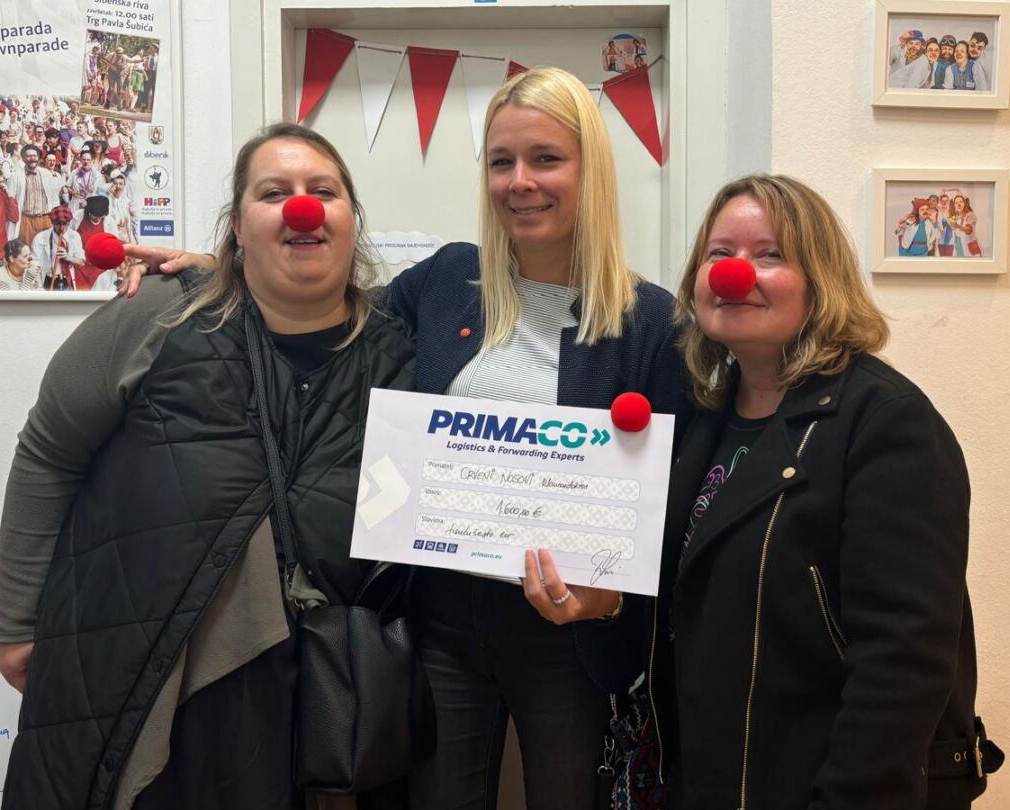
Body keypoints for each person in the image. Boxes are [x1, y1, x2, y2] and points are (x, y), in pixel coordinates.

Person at [119, 66, 689, 810]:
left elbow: (667, 508)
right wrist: (226, 267)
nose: (521, 182)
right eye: (502, 161)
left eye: (546, 158)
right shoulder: (451, 279)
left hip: (566, 636)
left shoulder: (651, 323)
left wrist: (608, 602)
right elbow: (331, 307)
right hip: (440, 618)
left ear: (592, 170)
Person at [0, 122, 415, 810]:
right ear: (238, 226)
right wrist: (15, 619)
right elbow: (49, 451)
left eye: (323, 191)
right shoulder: (158, 313)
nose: (301, 207)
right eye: (273, 193)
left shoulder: (401, 352)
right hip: (150, 677)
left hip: (323, 699)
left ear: (351, 219)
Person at [652, 174, 996, 808]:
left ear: (820, 280)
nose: (734, 273)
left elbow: (903, 660)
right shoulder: (703, 420)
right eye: (719, 253)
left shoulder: (885, 422)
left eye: (769, 255)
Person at [29, 205, 86, 290]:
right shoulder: (40, 238)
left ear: (69, 222)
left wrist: (67, 257)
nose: (62, 228)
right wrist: (39, 286)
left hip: (68, 281)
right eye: (58, 224)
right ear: (52, 223)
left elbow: (81, 262)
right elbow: (34, 265)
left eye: (65, 224)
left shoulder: (75, 236)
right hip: (48, 280)